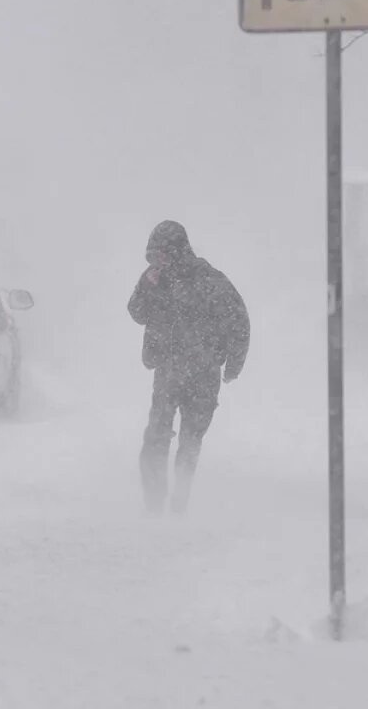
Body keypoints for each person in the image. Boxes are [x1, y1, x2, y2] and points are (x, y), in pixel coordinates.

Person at [127, 220, 250, 515]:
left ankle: (179, 503)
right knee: (156, 437)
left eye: (162, 256)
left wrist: (233, 365)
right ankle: (155, 506)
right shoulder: (155, 280)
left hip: (203, 375)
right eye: (152, 257)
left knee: (190, 440)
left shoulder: (211, 281)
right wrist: (147, 285)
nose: (157, 262)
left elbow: (239, 323)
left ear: (178, 252)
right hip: (167, 371)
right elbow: (136, 312)